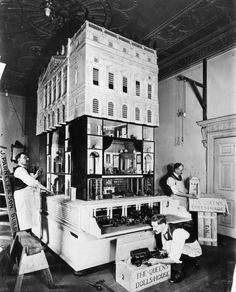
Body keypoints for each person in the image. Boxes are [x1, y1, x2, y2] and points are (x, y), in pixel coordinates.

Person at [148, 214, 202, 283]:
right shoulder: (164, 229)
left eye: (155, 226)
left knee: (174, 256)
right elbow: (166, 248)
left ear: (163, 224)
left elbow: (173, 258)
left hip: (194, 251)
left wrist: (156, 260)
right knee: (169, 251)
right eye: (153, 226)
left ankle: (179, 273)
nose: (153, 229)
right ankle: (177, 265)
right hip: (183, 247)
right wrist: (160, 253)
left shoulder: (177, 232)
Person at [13, 152, 52, 232]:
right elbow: (31, 182)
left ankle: (27, 235)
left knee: (27, 219)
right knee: (25, 219)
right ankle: (24, 238)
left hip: (26, 197)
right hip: (23, 198)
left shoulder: (23, 169)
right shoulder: (20, 170)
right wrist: (46, 189)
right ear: (18, 159)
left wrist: (36, 175)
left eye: (27, 157)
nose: (27, 159)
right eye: (24, 157)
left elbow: (29, 179)